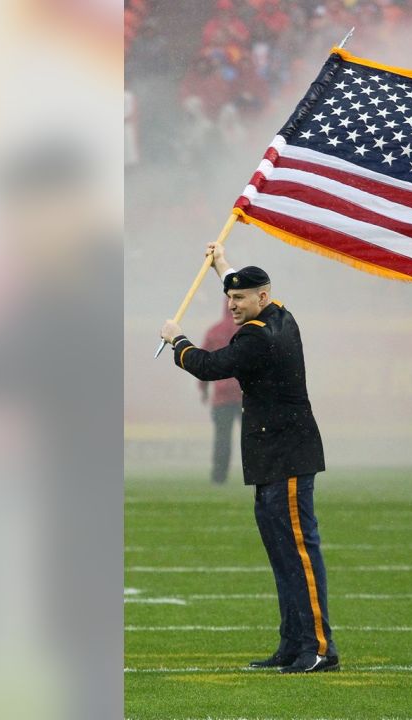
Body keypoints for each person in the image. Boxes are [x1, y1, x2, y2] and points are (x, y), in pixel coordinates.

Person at [159, 242, 338, 674]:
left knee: (297, 552)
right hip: (273, 456)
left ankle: (318, 647)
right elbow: (243, 287)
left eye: (240, 298)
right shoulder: (280, 315)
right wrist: (224, 264)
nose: (232, 304)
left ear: (262, 297)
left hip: (286, 456)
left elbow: (209, 365)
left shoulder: (258, 336)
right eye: (229, 297)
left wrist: (176, 340)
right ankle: (292, 644)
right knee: (282, 556)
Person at [199, 308, 242, 484]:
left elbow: (203, 363)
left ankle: (219, 477)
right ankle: (260, 476)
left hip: (221, 395)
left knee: (222, 439)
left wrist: (203, 389)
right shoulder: (249, 330)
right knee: (254, 437)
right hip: (246, 393)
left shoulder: (214, 331)